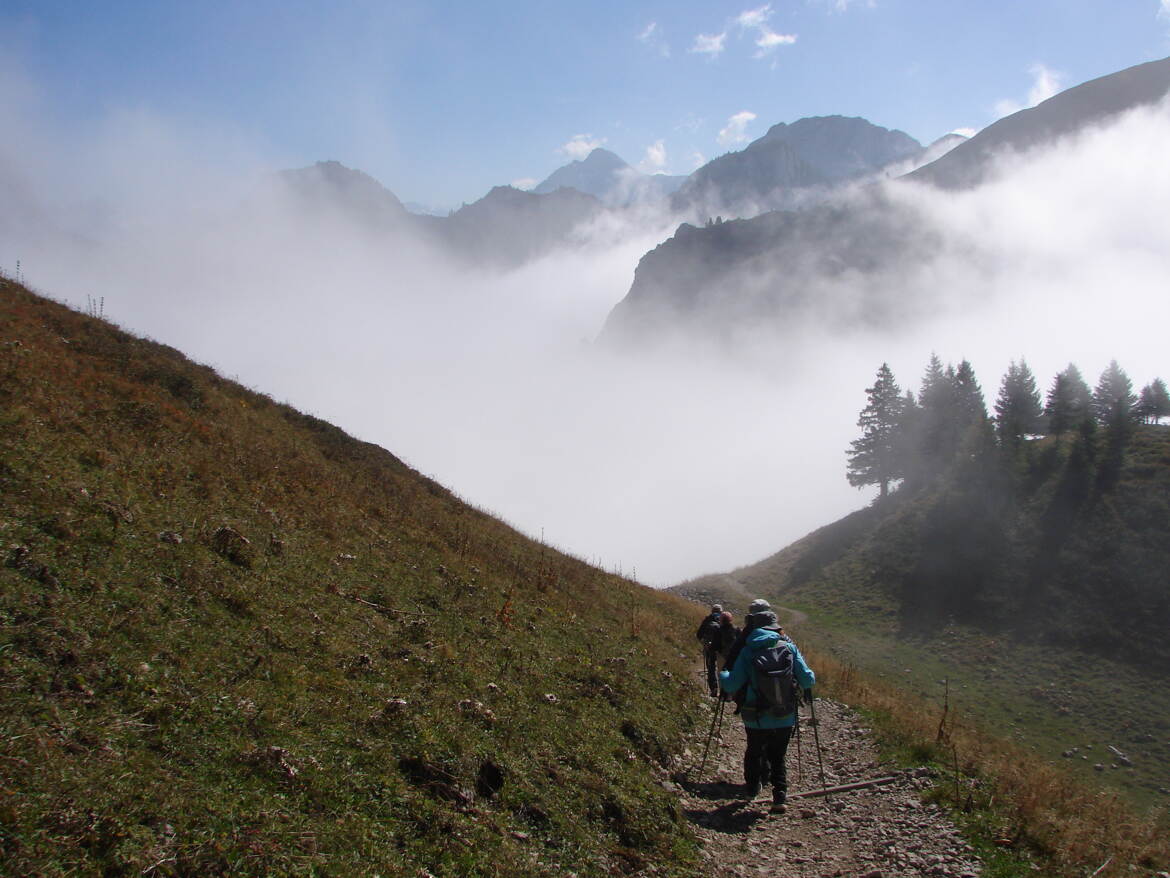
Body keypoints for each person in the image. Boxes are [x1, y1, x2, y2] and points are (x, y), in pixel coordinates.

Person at [719, 607, 815, 811]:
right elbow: (807, 679)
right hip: (785, 713)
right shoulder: (789, 647)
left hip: (755, 715)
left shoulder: (747, 650)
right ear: (774, 627)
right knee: (778, 755)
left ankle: (752, 789)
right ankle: (780, 795)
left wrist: (723, 675)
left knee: (754, 751)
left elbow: (731, 685)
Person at [695, 604, 723, 697]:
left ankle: (714, 688)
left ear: (712, 611)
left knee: (711, 668)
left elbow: (699, 634)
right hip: (721, 649)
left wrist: (704, 643)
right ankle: (725, 690)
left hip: (709, 648)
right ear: (720, 611)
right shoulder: (723, 620)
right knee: (722, 668)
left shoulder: (707, 620)